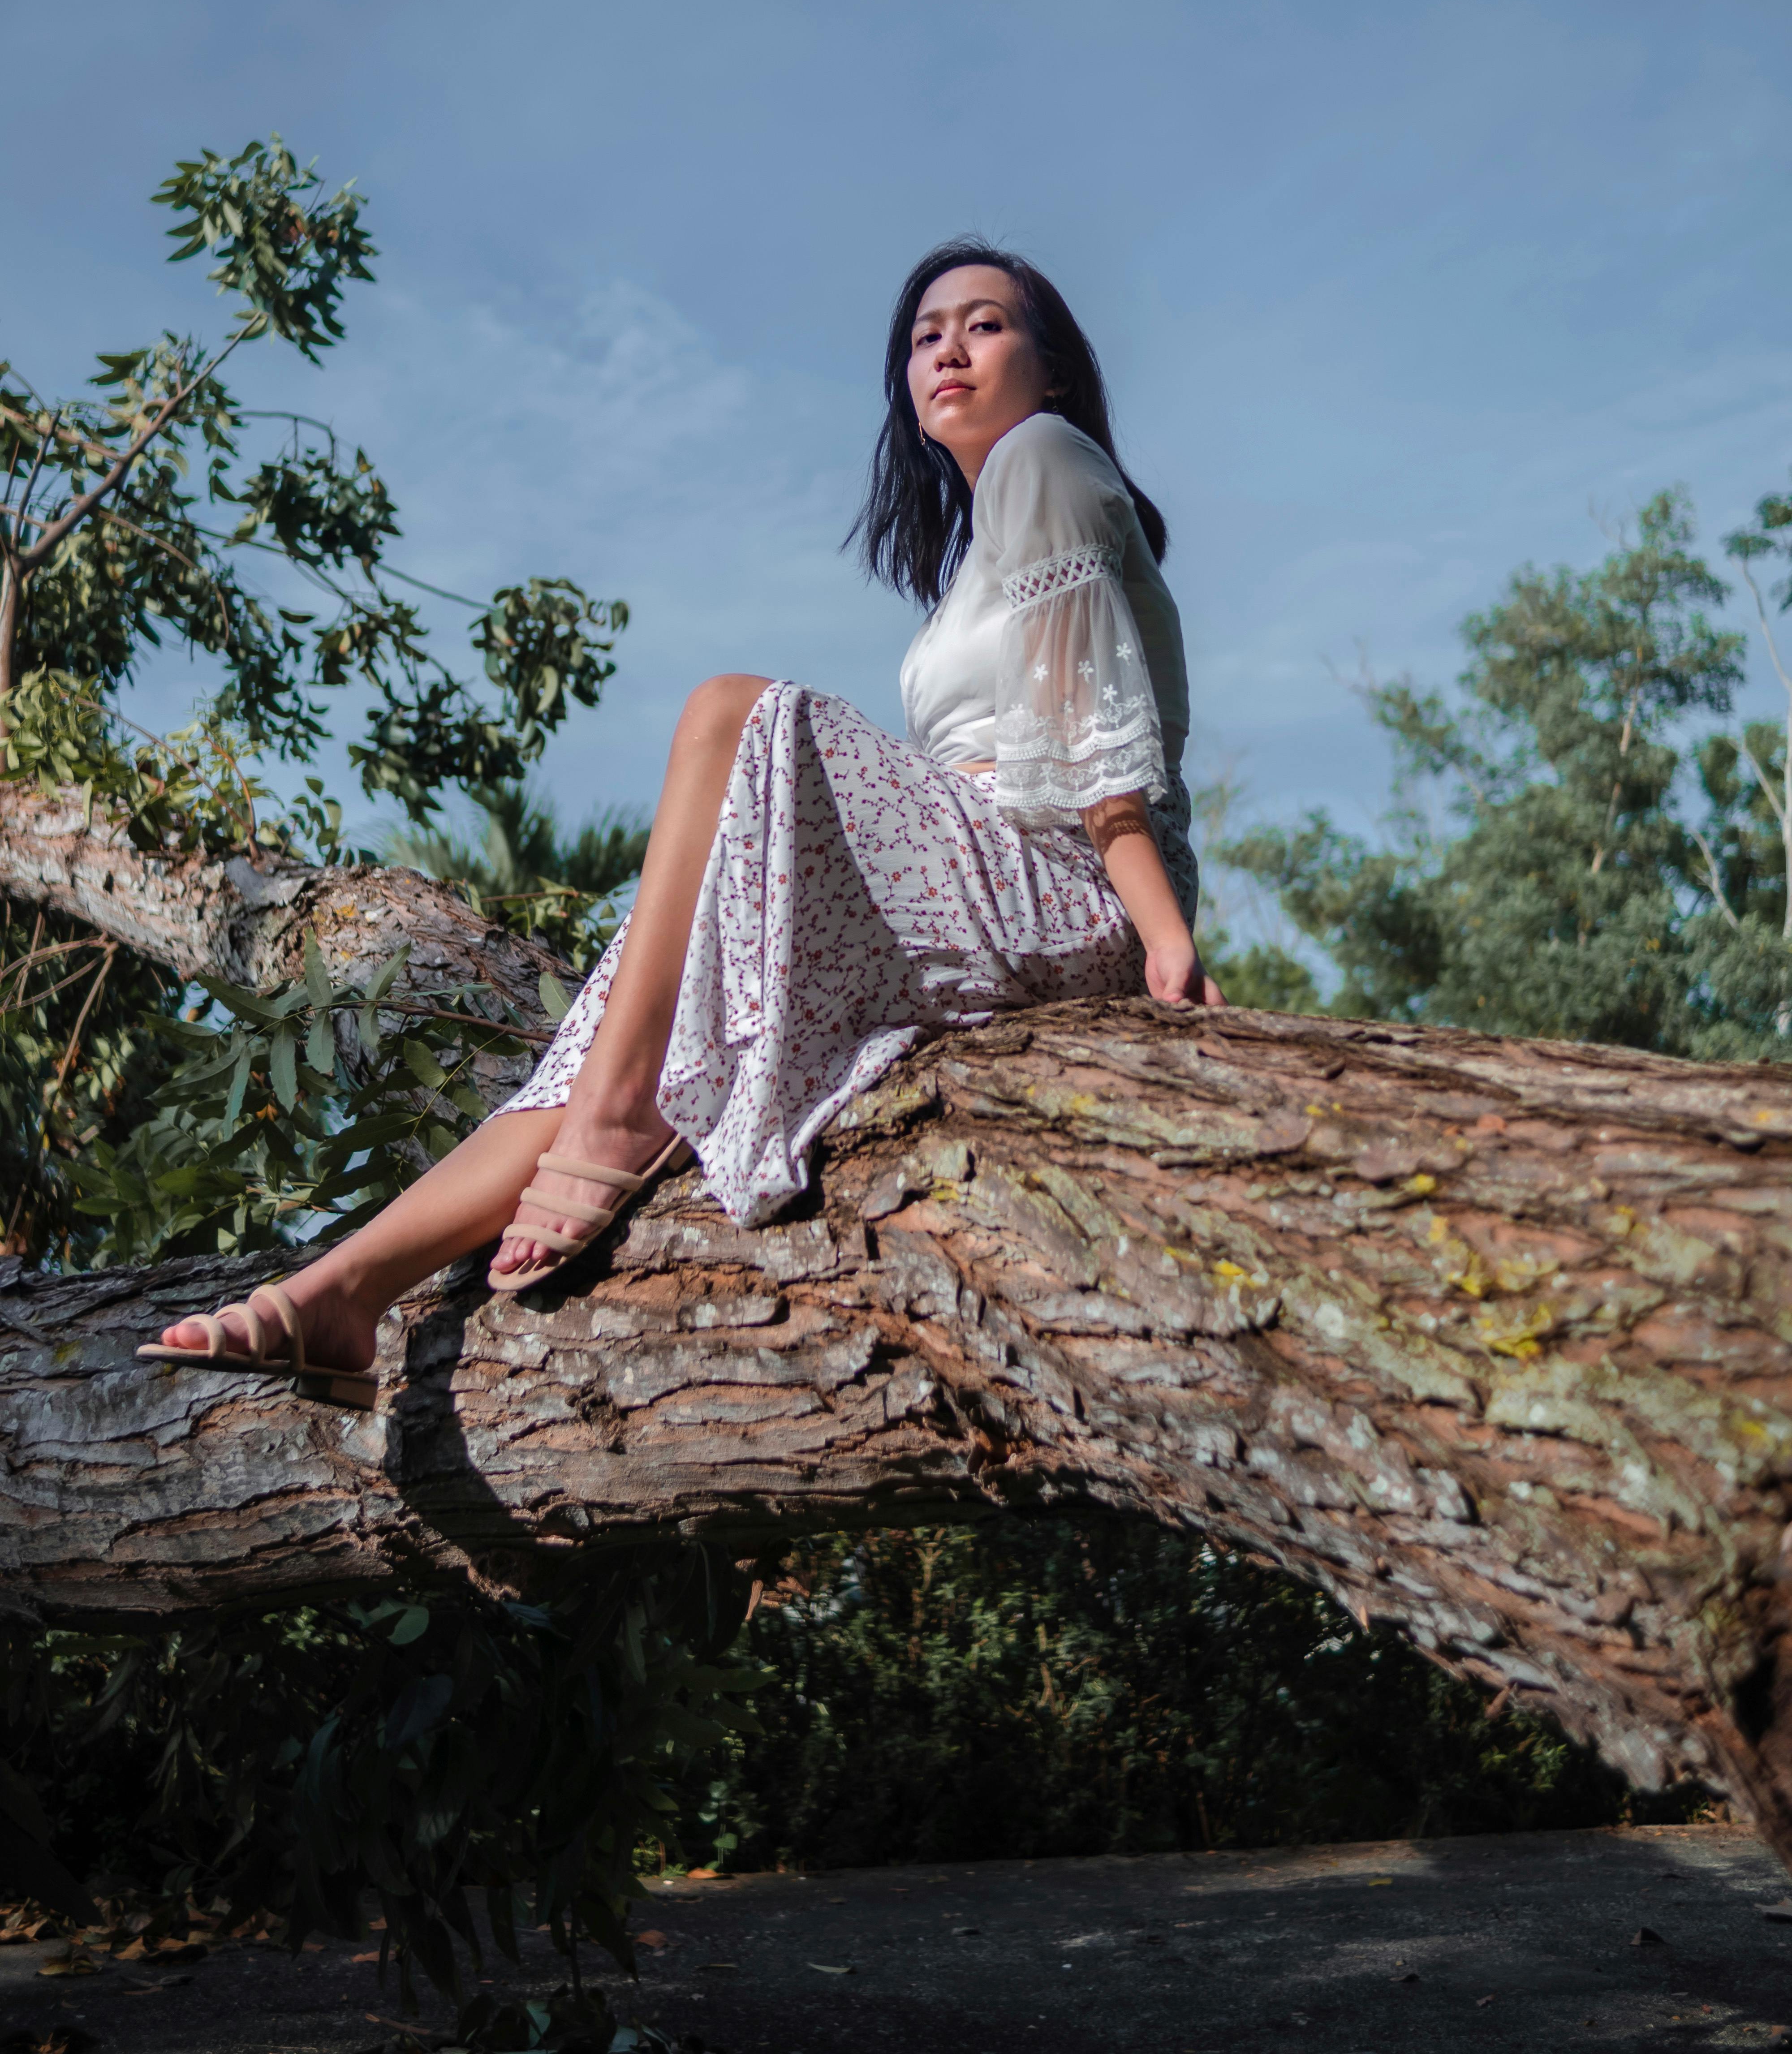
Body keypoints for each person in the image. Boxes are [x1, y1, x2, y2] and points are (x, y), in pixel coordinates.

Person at [141, 241, 1223, 1405]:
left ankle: (612, 1124)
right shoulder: (977, 551)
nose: (948, 349)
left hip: (1068, 885)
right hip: (988, 885)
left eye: (986, 326)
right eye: (924, 335)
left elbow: (1090, 731)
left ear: (1053, 373)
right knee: (628, 1000)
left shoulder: (1042, 456)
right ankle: (347, 1291)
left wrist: (1163, 940)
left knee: (727, 718)